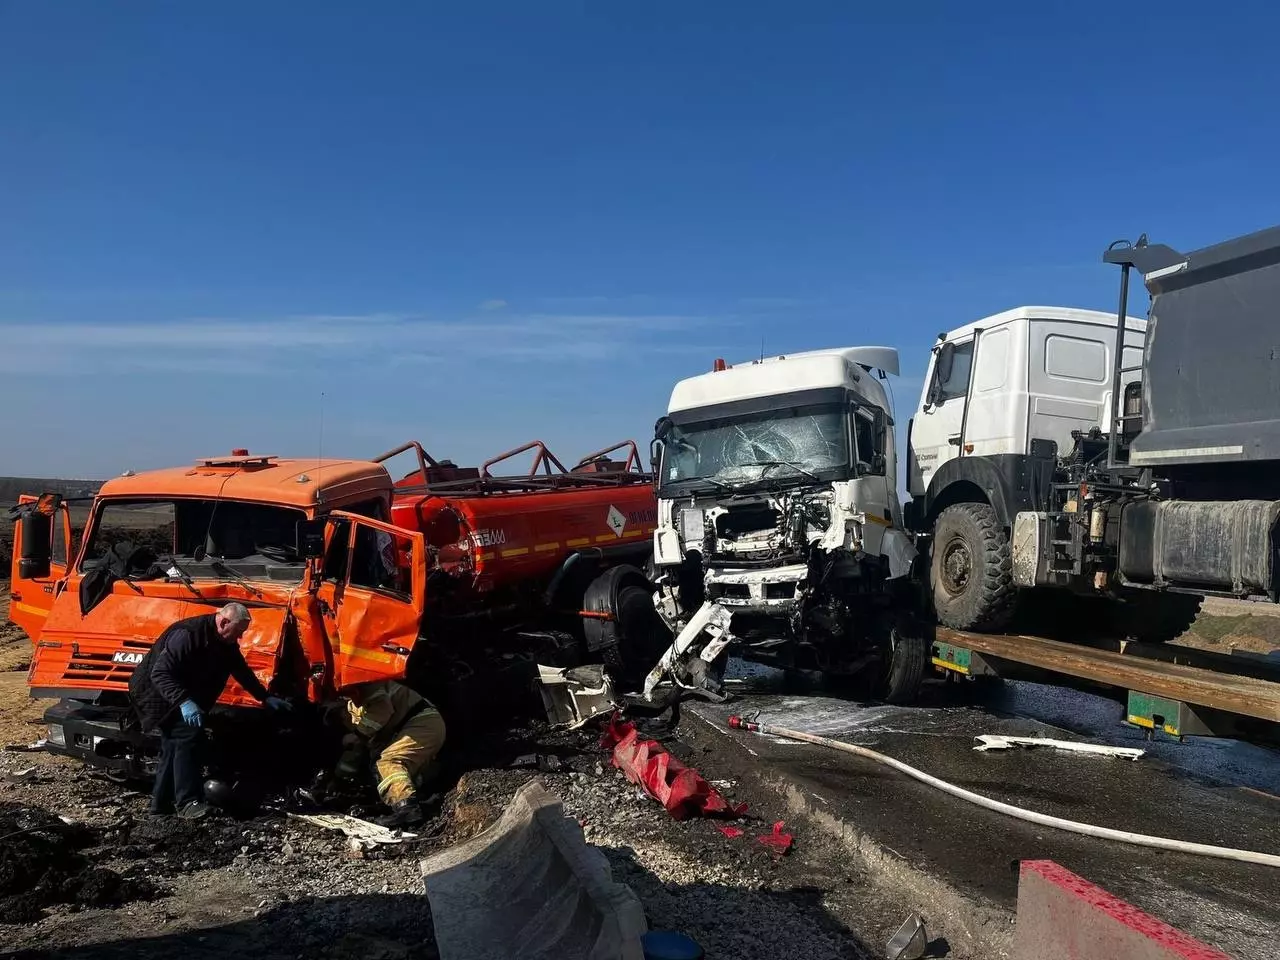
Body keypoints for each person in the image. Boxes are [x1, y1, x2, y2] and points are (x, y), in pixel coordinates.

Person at [128, 602, 292, 819]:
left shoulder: (225, 641)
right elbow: (160, 673)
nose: (241, 637)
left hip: (178, 693)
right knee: (188, 738)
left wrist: (265, 697)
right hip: (156, 693)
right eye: (239, 631)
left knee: (173, 747)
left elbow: (240, 669)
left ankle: (160, 808)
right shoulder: (188, 635)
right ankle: (188, 803)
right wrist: (184, 702)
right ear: (224, 622)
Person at [334, 679, 445, 827]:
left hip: (422, 724)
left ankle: (407, 808)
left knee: (388, 762)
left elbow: (381, 711)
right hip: (423, 724)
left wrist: (358, 735)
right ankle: (420, 797)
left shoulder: (366, 685)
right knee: (387, 765)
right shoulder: (357, 697)